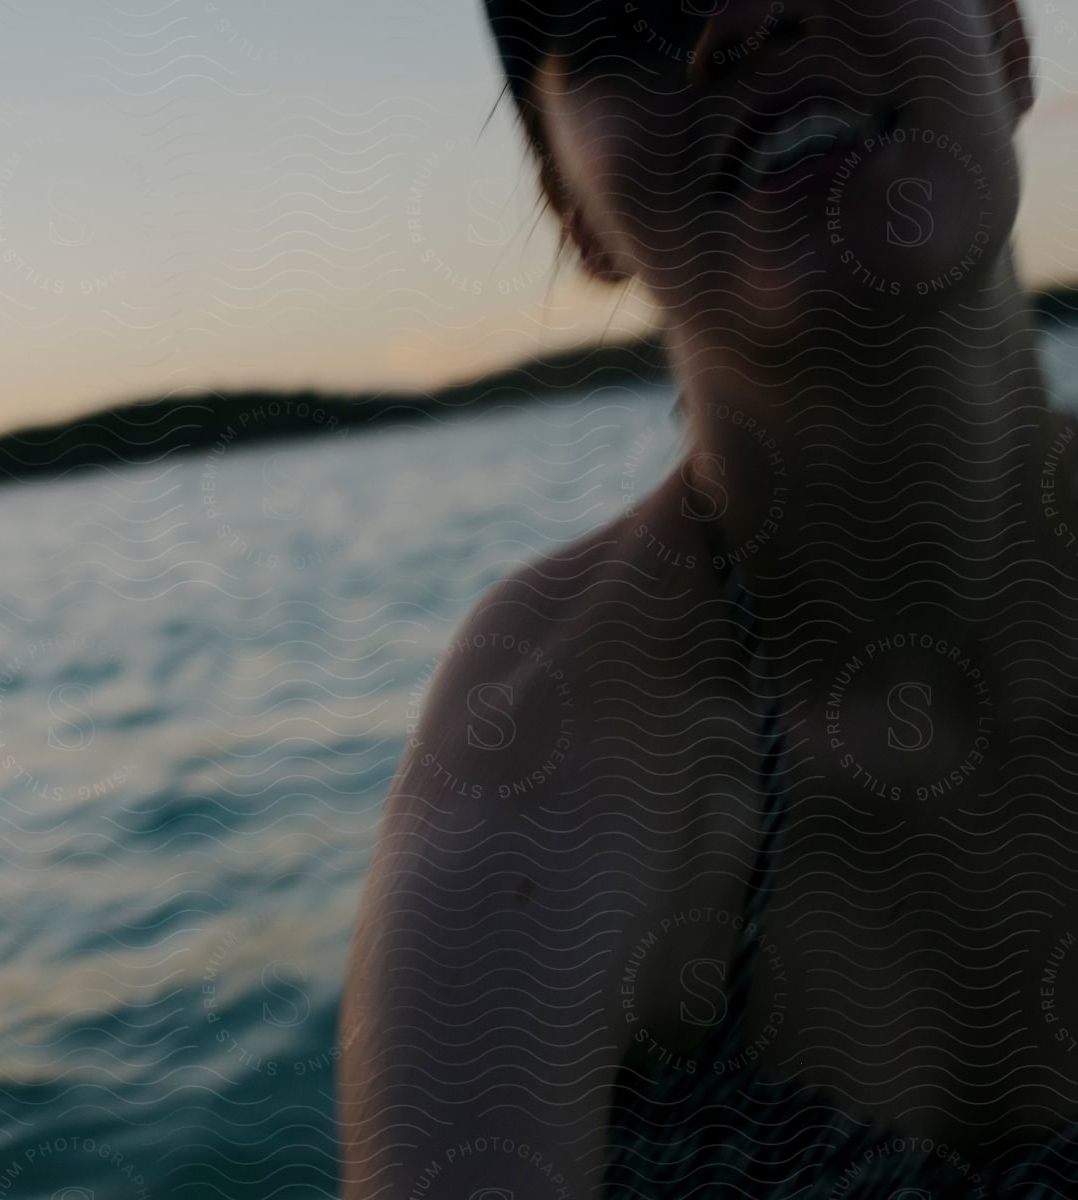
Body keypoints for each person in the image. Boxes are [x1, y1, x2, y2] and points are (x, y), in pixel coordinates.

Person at [339, 0, 1078, 1195]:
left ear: (1006, 41)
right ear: (577, 213)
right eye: (623, 21)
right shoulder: (556, 746)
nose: (739, 22)